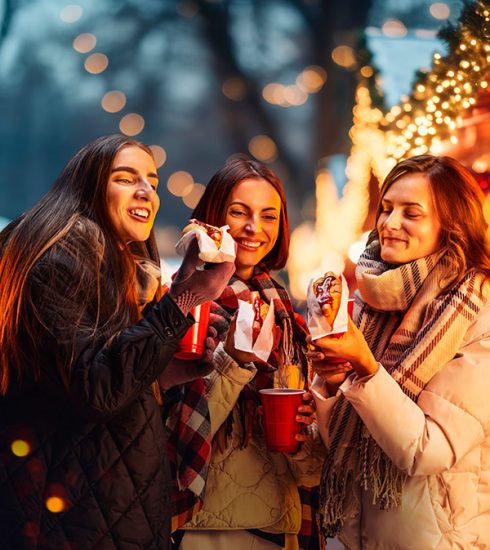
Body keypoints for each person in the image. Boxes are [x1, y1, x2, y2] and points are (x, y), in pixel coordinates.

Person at [0, 135, 234, 549]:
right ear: (88, 186)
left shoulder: (110, 268)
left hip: (100, 508)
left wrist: (162, 372)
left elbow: (97, 378)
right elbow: (98, 388)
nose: (146, 191)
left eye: (153, 182)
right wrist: (187, 298)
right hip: (69, 518)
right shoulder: (58, 261)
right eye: (126, 179)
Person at [309, 155, 490, 549]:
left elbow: (428, 451)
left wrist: (366, 367)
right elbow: (347, 445)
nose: (389, 224)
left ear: (451, 226)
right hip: (358, 534)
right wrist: (335, 380)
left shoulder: (477, 312)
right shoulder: (369, 302)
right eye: (387, 209)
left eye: (412, 213)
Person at [167, 158, 325, 550]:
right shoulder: (184, 302)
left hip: (287, 522)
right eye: (239, 212)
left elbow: (308, 472)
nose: (255, 228)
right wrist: (235, 363)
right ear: (212, 218)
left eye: (268, 216)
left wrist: (308, 425)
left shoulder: (285, 312)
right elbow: (171, 434)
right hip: (217, 530)